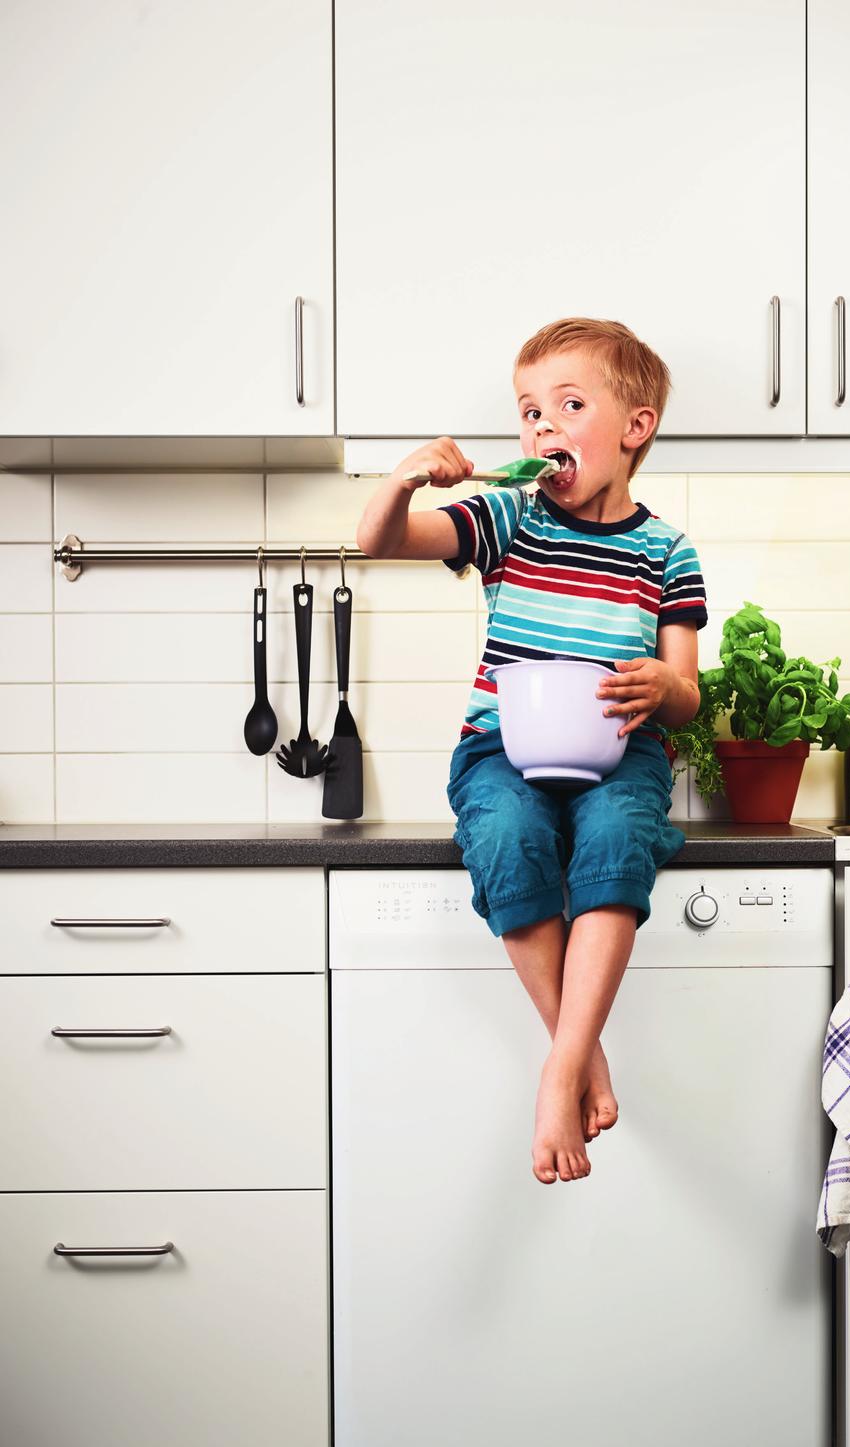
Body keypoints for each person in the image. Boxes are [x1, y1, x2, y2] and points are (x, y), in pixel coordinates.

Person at [356, 317, 707, 1185]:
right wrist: (405, 480)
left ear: (636, 425)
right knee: (509, 837)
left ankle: (557, 1066)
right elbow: (378, 541)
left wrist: (662, 690)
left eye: (569, 404)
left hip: (620, 751)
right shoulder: (509, 516)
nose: (541, 428)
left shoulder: (668, 551)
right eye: (528, 412)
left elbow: (687, 690)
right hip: (501, 750)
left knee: (621, 838)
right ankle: (577, 1055)